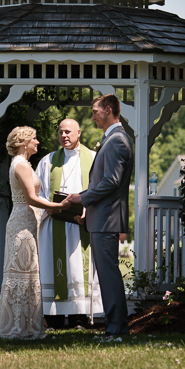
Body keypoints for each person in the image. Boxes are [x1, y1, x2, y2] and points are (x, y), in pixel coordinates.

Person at [67, 94, 134, 338]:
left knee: (109, 275)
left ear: (108, 109)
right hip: (101, 217)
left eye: (95, 111)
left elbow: (111, 182)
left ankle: (116, 328)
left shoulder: (117, 141)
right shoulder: (112, 139)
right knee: (107, 274)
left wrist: (82, 197)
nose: (92, 116)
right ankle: (115, 326)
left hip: (107, 218)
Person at [0, 126, 69, 339]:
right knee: (23, 274)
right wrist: (60, 206)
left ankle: (24, 325)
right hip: (23, 223)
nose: (38, 142)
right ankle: (18, 328)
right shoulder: (22, 166)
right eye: (34, 139)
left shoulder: (22, 164)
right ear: (24, 142)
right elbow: (31, 198)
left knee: (27, 273)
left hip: (26, 219)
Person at [35, 119, 101, 327]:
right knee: (54, 270)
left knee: (77, 270)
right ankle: (53, 317)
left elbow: (102, 189)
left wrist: (88, 212)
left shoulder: (93, 158)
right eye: (61, 132)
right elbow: (37, 192)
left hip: (80, 224)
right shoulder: (48, 161)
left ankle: (79, 317)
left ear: (79, 132)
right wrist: (48, 206)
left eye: (68, 132)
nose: (64, 136)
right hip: (54, 224)